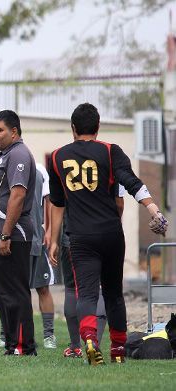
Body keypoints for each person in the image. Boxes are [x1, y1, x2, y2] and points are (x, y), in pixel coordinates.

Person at [48, 103, 168, 365]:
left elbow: (57, 203)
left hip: (80, 236)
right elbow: (131, 181)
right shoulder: (110, 151)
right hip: (111, 233)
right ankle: (117, 349)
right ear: (98, 126)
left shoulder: (56, 157)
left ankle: (89, 338)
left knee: (87, 293)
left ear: (73, 128)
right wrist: (153, 209)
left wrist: (53, 239)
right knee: (113, 293)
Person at [0, 110, 37, 356]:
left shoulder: (19, 154)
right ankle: (12, 343)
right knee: (1, 292)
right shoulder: (6, 154)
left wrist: (5, 235)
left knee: (15, 292)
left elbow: (18, 194)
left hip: (11, 235)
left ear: (14, 131)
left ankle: (23, 346)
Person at [58, 185, 125, 358]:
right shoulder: (112, 163)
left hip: (74, 234)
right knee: (105, 289)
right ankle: (101, 345)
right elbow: (119, 204)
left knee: (74, 289)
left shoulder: (66, 159)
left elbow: (56, 203)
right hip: (106, 232)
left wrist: (51, 237)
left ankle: (76, 347)